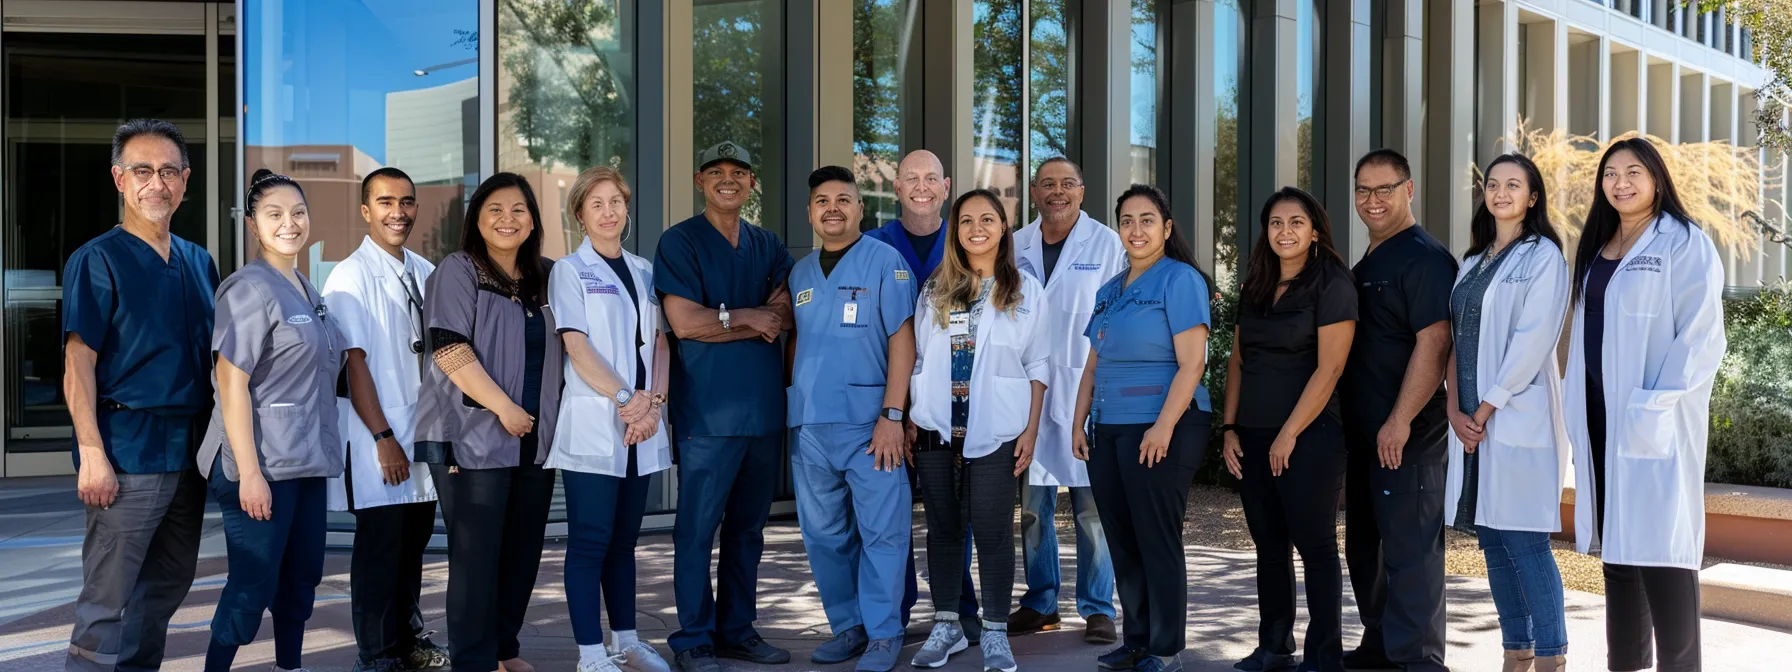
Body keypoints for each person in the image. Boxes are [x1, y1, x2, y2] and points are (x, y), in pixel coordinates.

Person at [63, 119, 219, 672]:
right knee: (107, 598)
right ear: (119, 179)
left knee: (167, 588)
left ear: (185, 181)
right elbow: (78, 364)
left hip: (190, 455)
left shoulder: (200, 262)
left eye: (169, 171)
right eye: (143, 171)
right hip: (127, 451)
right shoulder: (98, 259)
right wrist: (92, 453)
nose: (157, 183)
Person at [1565, 138, 1724, 672]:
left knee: (1664, 560)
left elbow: (1701, 337)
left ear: (1657, 178)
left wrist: (1653, 406)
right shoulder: (1598, 246)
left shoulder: (1683, 242)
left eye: (1633, 172)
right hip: (1600, 420)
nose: (1620, 182)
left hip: (1651, 422)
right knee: (1619, 560)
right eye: (1610, 173)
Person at [654, 142, 796, 672]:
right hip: (708, 416)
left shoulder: (768, 243)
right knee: (696, 530)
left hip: (763, 413)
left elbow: (783, 307)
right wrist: (748, 318)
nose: (728, 180)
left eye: (739, 172)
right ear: (700, 180)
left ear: (752, 183)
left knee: (748, 531)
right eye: (717, 172)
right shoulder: (681, 241)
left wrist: (733, 318)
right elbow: (685, 322)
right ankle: (693, 638)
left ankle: (737, 629)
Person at [414, 173, 565, 672]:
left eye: (519, 209)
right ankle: (474, 661)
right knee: (476, 560)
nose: (507, 219)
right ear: (477, 218)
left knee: (522, 553)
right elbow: (450, 349)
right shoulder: (459, 269)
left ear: (533, 219)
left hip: (533, 440)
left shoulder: (547, 275)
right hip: (470, 438)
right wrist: (503, 408)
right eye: (494, 209)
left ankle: (504, 648)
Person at [197, 170, 345, 672]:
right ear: (254, 226)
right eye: (275, 214)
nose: (290, 223)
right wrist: (250, 473)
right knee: (253, 582)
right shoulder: (246, 289)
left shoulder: (306, 288)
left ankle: (290, 666)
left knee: (302, 578)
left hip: (305, 462)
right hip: (259, 466)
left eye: (298, 213)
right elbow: (230, 383)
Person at [908, 188, 1049, 672]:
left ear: (1004, 227)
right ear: (955, 229)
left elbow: (1039, 363)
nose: (976, 228)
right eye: (966, 220)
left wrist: (1030, 431)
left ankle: (993, 633)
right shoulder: (935, 287)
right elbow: (921, 357)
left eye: (987, 219)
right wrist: (912, 414)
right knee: (944, 530)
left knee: (991, 531)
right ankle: (947, 626)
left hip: (998, 428)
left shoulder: (1026, 289)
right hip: (936, 428)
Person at [1441, 154, 1572, 672]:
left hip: (1513, 414)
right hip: (1470, 420)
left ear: (1532, 197)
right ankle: (1515, 650)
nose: (1500, 193)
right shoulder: (1471, 261)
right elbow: (1454, 338)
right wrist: (1454, 407)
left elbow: (1532, 340)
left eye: (1512, 185)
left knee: (1525, 541)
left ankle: (1550, 655)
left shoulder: (1544, 257)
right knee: (1492, 539)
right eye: (1492, 185)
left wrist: (1488, 406)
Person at [1075, 185, 1214, 672]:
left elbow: (1192, 365)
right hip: (1108, 428)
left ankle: (1165, 647)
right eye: (1128, 220)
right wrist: (1079, 422)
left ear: (1167, 228)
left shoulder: (1180, 280)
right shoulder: (1109, 289)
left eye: (1147, 219)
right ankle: (1136, 639)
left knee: (1156, 537)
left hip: (1163, 425)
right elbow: (1092, 365)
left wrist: (1162, 427)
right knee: (1122, 537)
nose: (1137, 229)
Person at [785, 166, 917, 672]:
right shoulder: (799, 274)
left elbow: (901, 342)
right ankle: (849, 626)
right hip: (811, 426)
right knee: (824, 535)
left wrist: (892, 414)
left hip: (870, 425)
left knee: (883, 531)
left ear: (862, 208)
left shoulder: (886, 262)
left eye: (844, 198)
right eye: (822, 200)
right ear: (811, 212)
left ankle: (885, 633)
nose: (833, 208)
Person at [545, 166, 676, 672]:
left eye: (616, 202)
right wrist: (628, 400)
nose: (608, 212)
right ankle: (590, 654)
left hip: (641, 425)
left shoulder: (644, 270)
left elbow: (660, 342)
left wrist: (653, 405)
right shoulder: (569, 272)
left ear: (627, 208)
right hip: (598, 425)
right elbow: (576, 345)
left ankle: (626, 640)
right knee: (589, 542)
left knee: (624, 543)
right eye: (596, 204)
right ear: (580, 214)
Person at [1221, 187, 1357, 672]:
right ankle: (1274, 646)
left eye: (1296, 222)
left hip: (1312, 436)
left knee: (1315, 544)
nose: (1285, 231)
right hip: (1253, 435)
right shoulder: (1256, 285)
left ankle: (1324, 656)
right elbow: (1238, 361)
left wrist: (1289, 434)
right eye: (1276, 223)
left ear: (1315, 230)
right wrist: (1230, 428)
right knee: (1269, 546)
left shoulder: (1332, 284)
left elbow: (1330, 370)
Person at [322, 167, 452, 672]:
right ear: (365, 211)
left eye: (406, 202)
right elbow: (353, 363)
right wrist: (383, 438)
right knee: (379, 550)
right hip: (381, 435)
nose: (397, 212)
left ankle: (408, 639)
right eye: (385, 202)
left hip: (422, 433)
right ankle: (376, 654)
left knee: (412, 546)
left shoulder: (424, 269)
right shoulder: (349, 276)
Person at [1340, 149, 1457, 672]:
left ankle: (1419, 660)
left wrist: (1399, 420)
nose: (1372, 200)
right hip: (1364, 434)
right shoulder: (1367, 262)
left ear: (1408, 191)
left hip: (1408, 433)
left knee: (1411, 551)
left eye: (1384, 189)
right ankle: (1381, 645)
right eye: (1363, 190)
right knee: (1366, 546)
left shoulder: (1425, 258)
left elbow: (1434, 343)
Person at [864, 149, 982, 639]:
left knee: (953, 509)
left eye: (931, 177)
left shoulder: (970, 244)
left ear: (947, 185)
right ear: (896, 188)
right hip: (885, 400)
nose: (921, 186)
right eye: (911, 177)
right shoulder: (871, 245)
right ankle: (895, 608)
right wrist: (897, 408)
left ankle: (959, 608)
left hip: (951, 400)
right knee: (887, 514)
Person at [1010, 157, 1124, 644]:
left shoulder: (1107, 243)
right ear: (1034, 192)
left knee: (1093, 508)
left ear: (1082, 190)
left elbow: (1117, 319)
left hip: (1087, 390)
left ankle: (1098, 607)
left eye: (1067, 184)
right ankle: (1041, 601)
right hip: (1027, 392)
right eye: (1047, 184)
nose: (1057, 192)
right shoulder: (1014, 245)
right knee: (1033, 506)